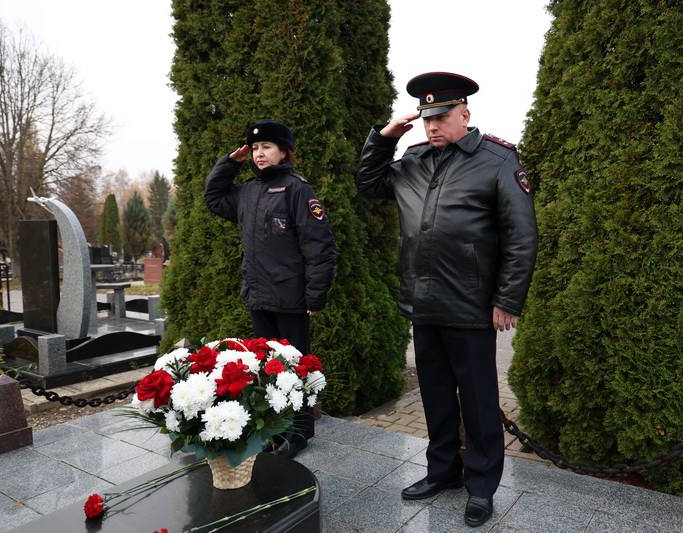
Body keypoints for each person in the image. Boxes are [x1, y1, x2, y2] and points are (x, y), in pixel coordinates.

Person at [355, 72, 538, 528]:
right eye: (425, 118)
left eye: (441, 117)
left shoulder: (498, 160)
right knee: (436, 396)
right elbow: (369, 184)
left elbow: (521, 237)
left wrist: (508, 299)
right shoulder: (412, 160)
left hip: (473, 305)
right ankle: (442, 473)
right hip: (423, 303)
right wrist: (384, 138)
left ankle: (481, 487)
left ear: (464, 114)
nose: (432, 126)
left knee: (477, 401)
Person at [205, 119, 337, 458]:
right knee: (267, 367)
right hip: (258, 296)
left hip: (291, 298)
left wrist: (315, 295)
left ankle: (301, 430)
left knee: (297, 365)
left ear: (284, 151)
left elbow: (319, 245)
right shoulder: (247, 191)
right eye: (255, 149)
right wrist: (229, 163)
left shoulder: (297, 190)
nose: (260, 154)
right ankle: (275, 426)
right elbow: (214, 197)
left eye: (267, 147)